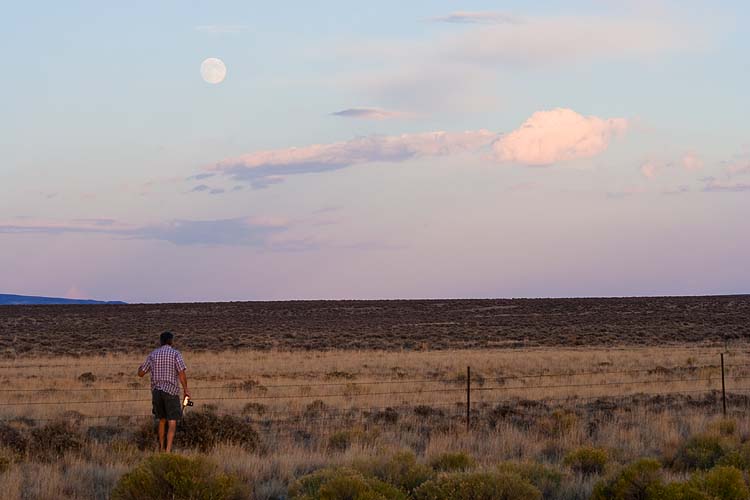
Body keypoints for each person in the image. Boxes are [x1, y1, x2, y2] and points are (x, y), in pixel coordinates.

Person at [137, 331, 190, 452]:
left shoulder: (153, 354)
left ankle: (161, 447)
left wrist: (140, 367)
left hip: (156, 392)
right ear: (171, 341)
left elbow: (141, 373)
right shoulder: (176, 354)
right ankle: (168, 450)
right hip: (171, 391)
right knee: (172, 421)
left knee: (161, 420)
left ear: (160, 341)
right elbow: (181, 374)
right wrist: (186, 390)